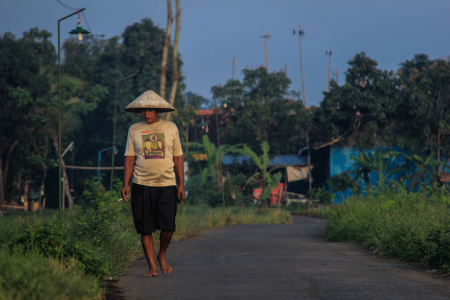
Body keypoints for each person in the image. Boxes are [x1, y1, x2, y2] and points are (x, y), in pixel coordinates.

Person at [121, 90, 185, 277]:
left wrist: (181, 184)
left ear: (157, 110)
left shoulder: (171, 128)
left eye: (149, 110)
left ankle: (162, 254)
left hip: (167, 183)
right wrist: (126, 183)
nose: (146, 114)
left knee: (168, 226)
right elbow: (129, 158)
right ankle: (152, 265)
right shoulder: (134, 129)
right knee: (145, 227)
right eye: (143, 110)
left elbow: (178, 157)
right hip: (141, 184)